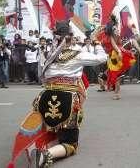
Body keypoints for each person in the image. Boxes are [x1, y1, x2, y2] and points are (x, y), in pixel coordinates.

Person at [29, 21, 107, 167]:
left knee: (47, 126)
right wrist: (96, 40)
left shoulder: (47, 54)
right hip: (66, 98)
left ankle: (40, 145)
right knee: (71, 144)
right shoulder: (77, 54)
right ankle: (45, 155)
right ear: (70, 36)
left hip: (45, 95)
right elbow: (102, 58)